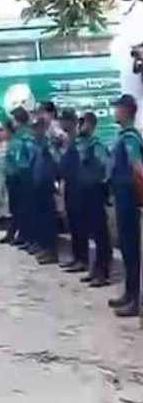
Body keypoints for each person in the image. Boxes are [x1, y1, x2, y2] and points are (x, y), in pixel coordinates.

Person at [108, 94, 143, 317]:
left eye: (117, 108)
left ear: (126, 111)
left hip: (129, 199)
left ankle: (135, 300)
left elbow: (137, 166)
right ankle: (129, 294)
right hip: (122, 197)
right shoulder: (123, 135)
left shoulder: (130, 137)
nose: (114, 112)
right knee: (126, 249)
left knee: (132, 249)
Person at [75, 112, 112, 288]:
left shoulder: (96, 145)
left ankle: (103, 272)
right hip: (85, 193)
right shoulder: (82, 143)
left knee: (100, 233)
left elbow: (105, 165)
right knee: (93, 234)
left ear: (90, 125)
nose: (80, 126)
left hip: (96, 193)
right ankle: (95, 268)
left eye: (83, 123)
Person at [57, 109, 87, 273]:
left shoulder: (76, 140)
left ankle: (83, 259)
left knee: (79, 224)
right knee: (73, 224)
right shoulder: (67, 140)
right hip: (69, 184)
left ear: (70, 122)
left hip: (77, 186)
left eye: (63, 120)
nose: (61, 123)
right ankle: (77, 257)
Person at [6, 108, 36, 252]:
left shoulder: (26, 135)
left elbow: (28, 158)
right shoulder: (18, 135)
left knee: (26, 209)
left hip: (24, 175)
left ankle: (28, 237)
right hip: (19, 175)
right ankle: (24, 236)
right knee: (20, 208)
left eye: (13, 119)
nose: (12, 122)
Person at [31, 114, 59, 265]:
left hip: (47, 185)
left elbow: (54, 162)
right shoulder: (38, 144)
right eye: (34, 128)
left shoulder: (48, 144)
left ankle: (51, 251)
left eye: (37, 128)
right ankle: (45, 248)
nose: (35, 131)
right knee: (41, 219)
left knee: (48, 220)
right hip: (39, 185)